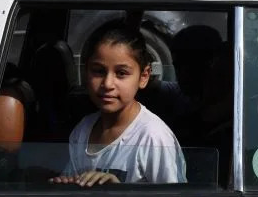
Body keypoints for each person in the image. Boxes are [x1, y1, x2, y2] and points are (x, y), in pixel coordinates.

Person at [50, 22, 186, 186]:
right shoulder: (83, 130)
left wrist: (119, 193)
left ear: (144, 76)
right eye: (98, 71)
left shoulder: (153, 137)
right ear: (85, 72)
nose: (107, 84)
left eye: (121, 73)